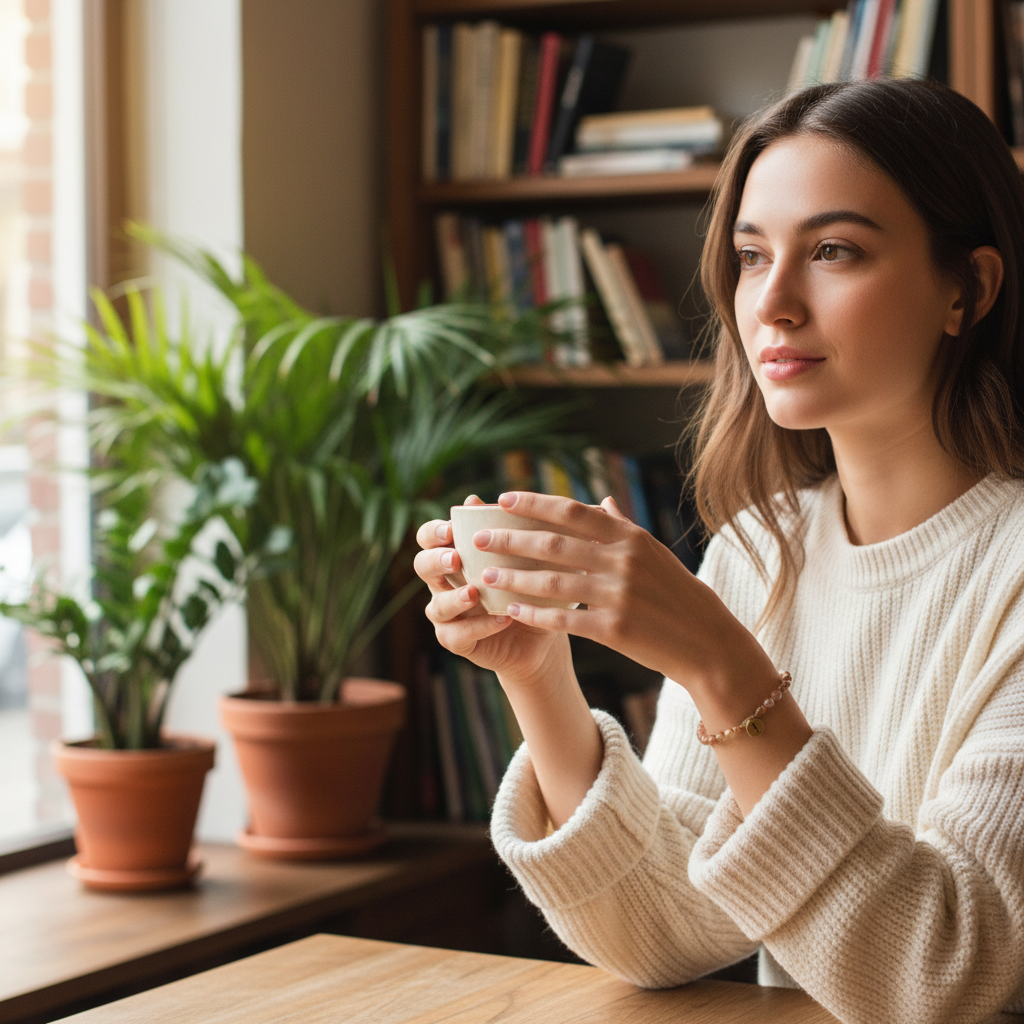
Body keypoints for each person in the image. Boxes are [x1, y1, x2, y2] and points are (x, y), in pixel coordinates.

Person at [413, 79, 1024, 1024]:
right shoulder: (759, 550)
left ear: (968, 288)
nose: (771, 303)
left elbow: (946, 973)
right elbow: (666, 928)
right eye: (749, 256)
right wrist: (538, 677)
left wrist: (718, 662)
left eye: (833, 251)